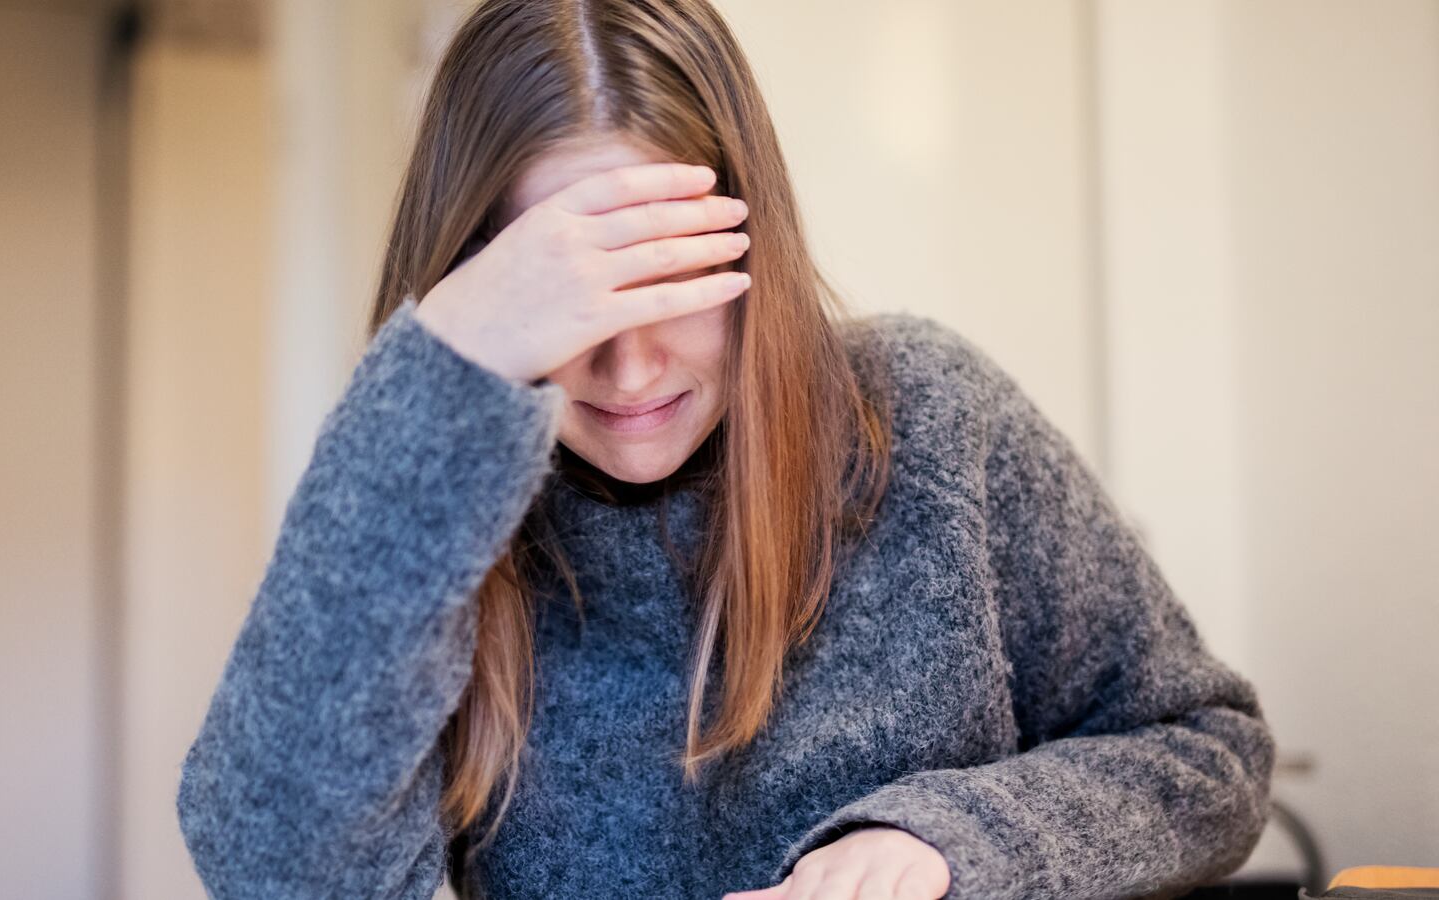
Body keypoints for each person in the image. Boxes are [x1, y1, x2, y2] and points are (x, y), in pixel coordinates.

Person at [175, 1, 1277, 898]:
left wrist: (948, 843)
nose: (632, 370)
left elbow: (1205, 753)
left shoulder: (926, 417)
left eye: (672, 285)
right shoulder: (431, 496)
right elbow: (272, 867)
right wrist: (441, 372)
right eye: (567, 305)